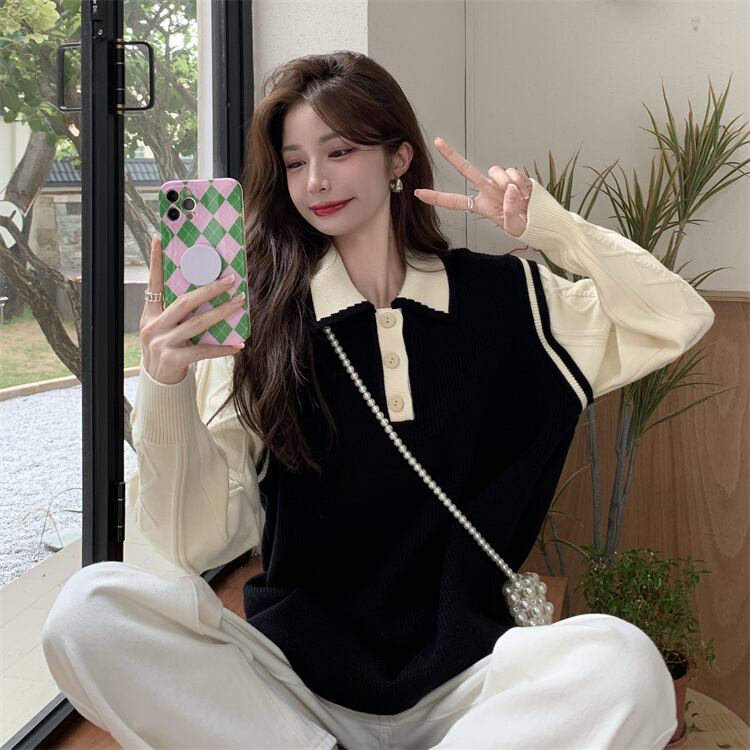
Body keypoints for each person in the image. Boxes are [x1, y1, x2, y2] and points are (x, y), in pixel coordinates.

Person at [41, 50, 714, 750]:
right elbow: (193, 544)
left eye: (339, 151)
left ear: (399, 158)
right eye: (295, 162)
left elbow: (678, 318)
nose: (316, 180)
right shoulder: (259, 327)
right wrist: (165, 385)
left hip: (469, 686)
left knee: (625, 662)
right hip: (294, 689)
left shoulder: (509, 300)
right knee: (87, 612)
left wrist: (550, 228)